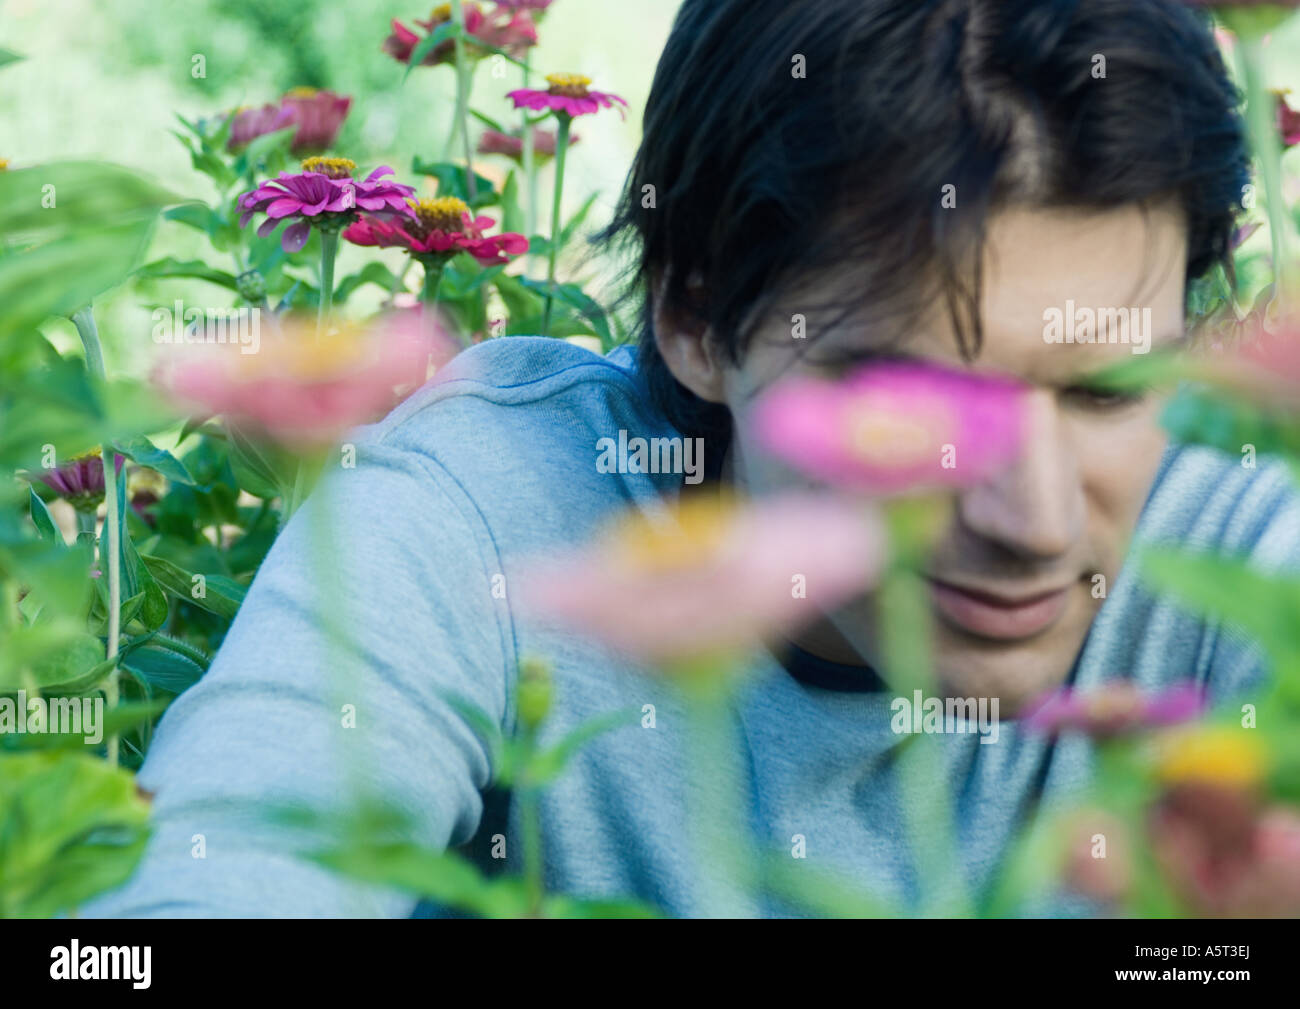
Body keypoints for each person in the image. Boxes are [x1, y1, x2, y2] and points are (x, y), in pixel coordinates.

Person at [90, 0, 1300, 917]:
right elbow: (222, 878)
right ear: (694, 314)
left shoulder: (1245, 548)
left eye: (1103, 387)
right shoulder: (483, 510)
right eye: (912, 402)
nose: (1032, 519)